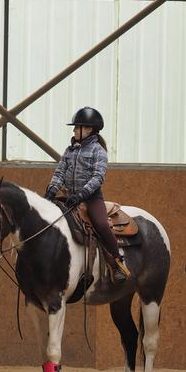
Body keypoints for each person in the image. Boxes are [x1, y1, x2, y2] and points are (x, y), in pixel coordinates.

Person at [44, 106, 129, 284]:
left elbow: (98, 177)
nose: (74, 130)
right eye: (75, 127)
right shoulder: (70, 150)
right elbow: (60, 172)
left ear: (89, 129)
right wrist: (52, 189)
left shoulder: (98, 151)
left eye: (77, 127)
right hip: (69, 197)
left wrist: (82, 194)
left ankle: (117, 261)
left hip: (91, 198)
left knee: (101, 225)